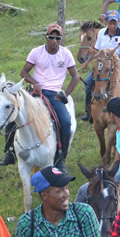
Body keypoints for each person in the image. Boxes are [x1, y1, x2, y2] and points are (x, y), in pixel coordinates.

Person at [16, 23, 80, 172]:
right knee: (16, 111)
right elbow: (24, 72)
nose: (54, 41)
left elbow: (75, 76)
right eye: (51, 37)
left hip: (54, 93)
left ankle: (60, 158)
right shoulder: (36, 52)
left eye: (58, 38)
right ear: (46, 37)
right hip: (37, 91)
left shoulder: (66, 54)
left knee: (66, 123)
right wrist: (35, 83)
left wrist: (65, 94)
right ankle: (10, 151)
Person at [79, 10, 120, 122]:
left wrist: (112, 59)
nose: (112, 25)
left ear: (118, 22)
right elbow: (96, 50)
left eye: (114, 23)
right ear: (106, 21)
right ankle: (89, 111)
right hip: (102, 63)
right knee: (88, 82)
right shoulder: (102, 33)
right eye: (110, 23)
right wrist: (87, 62)